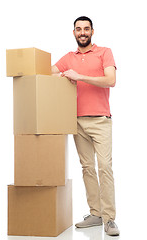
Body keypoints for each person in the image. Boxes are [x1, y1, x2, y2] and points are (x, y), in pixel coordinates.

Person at [51, 16, 120, 236]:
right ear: (73, 33)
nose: (83, 32)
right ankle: (96, 214)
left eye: (86, 29)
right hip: (77, 121)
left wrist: (78, 76)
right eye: (78, 29)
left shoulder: (104, 52)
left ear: (92, 31)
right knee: (88, 169)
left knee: (104, 168)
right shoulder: (68, 58)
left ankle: (109, 219)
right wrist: (61, 74)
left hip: (100, 120)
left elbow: (111, 80)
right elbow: (47, 71)